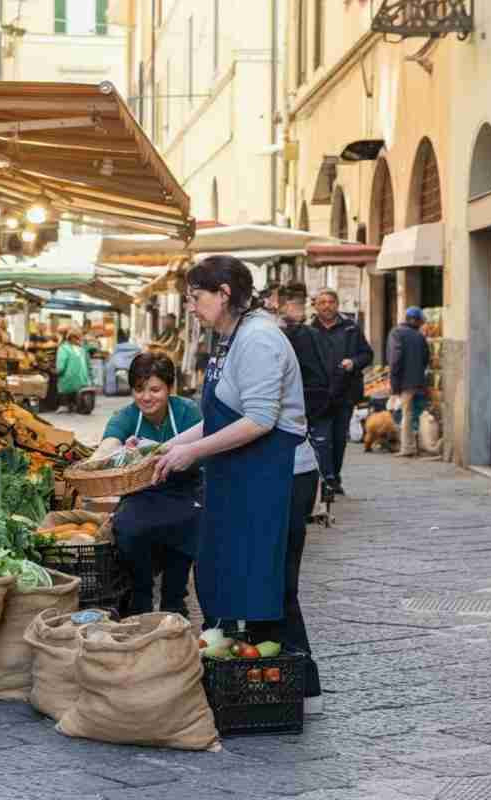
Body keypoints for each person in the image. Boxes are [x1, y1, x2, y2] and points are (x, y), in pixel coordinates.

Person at [152, 255, 309, 645]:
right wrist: (165, 447)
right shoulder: (231, 337)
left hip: (278, 478)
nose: (191, 307)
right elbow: (220, 418)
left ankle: (294, 675)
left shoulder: (258, 339)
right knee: (245, 582)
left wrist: (193, 453)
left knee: (272, 591)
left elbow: (259, 420)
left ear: (223, 293)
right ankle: (259, 673)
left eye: (195, 297)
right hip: (248, 476)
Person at [92, 352, 203, 616]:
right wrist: (100, 459)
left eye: (155, 389)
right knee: (127, 527)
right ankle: (140, 593)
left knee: (192, 522)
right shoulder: (126, 416)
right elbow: (108, 445)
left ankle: (174, 599)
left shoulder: (188, 411)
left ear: (170, 388)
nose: (146, 397)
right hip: (141, 492)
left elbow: (203, 448)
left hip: (184, 488)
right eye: (139, 389)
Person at [275, 285, 328, 712]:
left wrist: (297, 422)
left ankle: (304, 682)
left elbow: (318, 389)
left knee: (282, 584)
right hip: (277, 469)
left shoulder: (283, 339)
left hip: (291, 468)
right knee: (276, 583)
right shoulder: (252, 339)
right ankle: (287, 680)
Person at [311, 288, 373, 494]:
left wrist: (353, 362)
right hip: (318, 394)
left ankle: (334, 476)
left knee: (338, 439)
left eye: (330, 302)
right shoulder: (309, 330)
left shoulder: (351, 328)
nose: (326, 306)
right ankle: (327, 479)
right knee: (322, 439)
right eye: (322, 302)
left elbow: (367, 354)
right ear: (315, 306)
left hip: (345, 392)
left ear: (337, 305)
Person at [279, 284, 336, 496]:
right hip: (308, 396)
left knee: (318, 443)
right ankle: (322, 486)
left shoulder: (304, 333)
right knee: (317, 443)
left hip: (312, 396)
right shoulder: (288, 333)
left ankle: (323, 484)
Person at [388, 307, 431, 457]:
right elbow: (426, 359)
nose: (420, 324)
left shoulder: (397, 333)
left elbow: (395, 359)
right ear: (414, 320)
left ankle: (407, 448)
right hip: (417, 382)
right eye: (420, 321)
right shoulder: (420, 336)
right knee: (412, 414)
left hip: (404, 382)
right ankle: (412, 445)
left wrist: (394, 384)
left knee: (406, 414)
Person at [55, 329, 91, 410]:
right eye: (78, 338)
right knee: (75, 391)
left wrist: (58, 372)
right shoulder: (82, 349)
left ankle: (65, 405)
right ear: (72, 338)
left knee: (64, 388)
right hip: (81, 379)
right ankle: (74, 405)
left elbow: (61, 365)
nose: (79, 340)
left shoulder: (63, 348)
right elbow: (88, 364)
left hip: (68, 378)